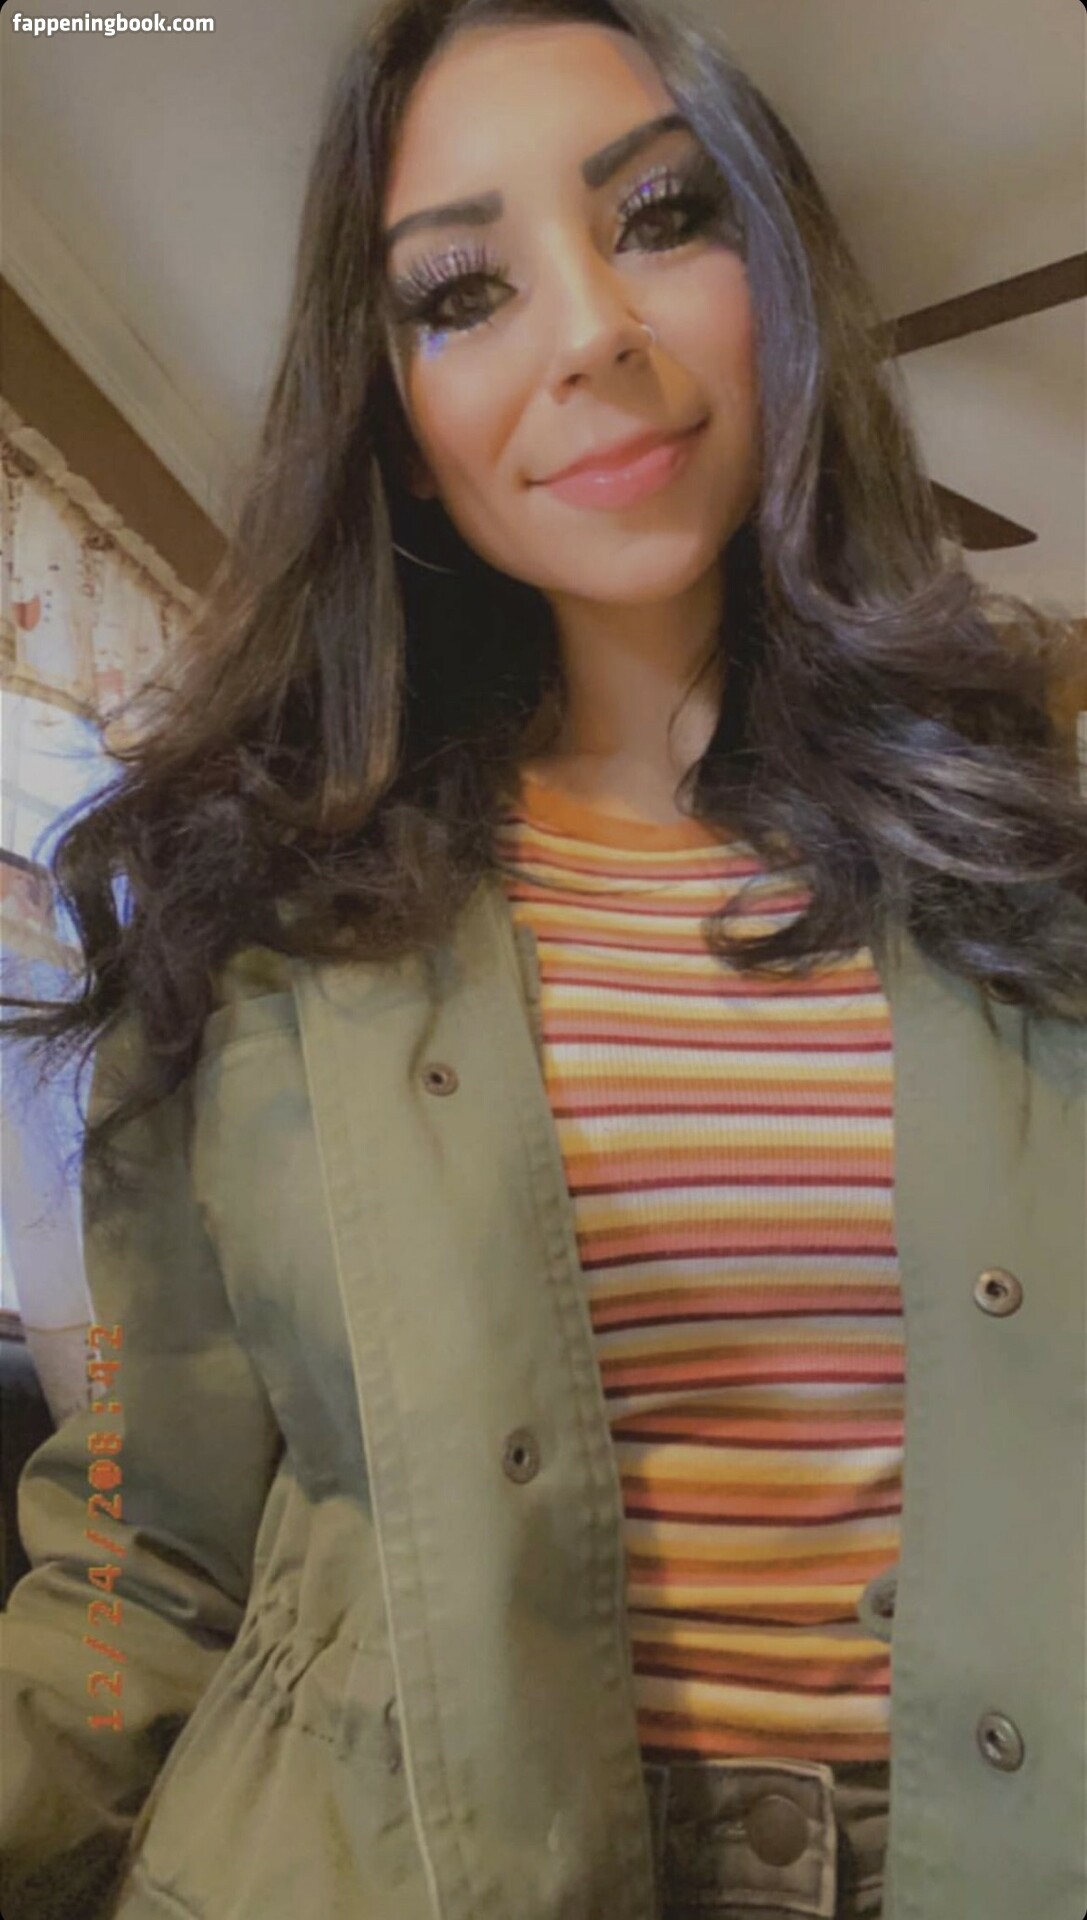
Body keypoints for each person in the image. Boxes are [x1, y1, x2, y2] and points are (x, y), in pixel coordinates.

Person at [1, 1, 1085, 1916]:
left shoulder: (1030, 874)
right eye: (460, 295)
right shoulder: (261, 923)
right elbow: (138, 1555)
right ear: (403, 438)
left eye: (663, 216)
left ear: (783, 286)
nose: (590, 331)